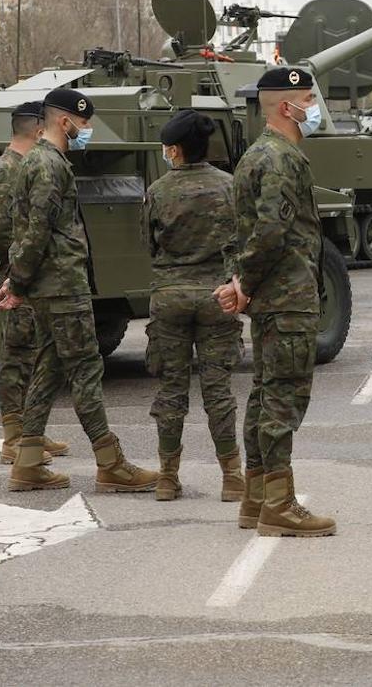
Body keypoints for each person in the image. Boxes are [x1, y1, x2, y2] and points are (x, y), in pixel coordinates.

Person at [0, 88, 157, 493]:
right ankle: (111, 462)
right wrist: (17, 283)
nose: (87, 131)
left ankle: (28, 460)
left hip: (50, 287)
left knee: (50, 368)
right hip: (62, 286)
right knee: (86, 369)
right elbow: (37, 231)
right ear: (65, 122)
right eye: (84, 124)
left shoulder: (35, 161)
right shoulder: (50, 165)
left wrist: (20, 280)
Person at [217, 65, 336, 537]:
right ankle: (281, 507)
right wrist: (244, 280)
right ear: (287, 106)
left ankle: (255, 497)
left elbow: (241, 229)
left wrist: (241, 281)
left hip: (271, 298)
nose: (314, 107)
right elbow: (270, 232)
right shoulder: (281, 158)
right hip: (287, 298)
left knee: (264, 396)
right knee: (282, 400)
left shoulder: (253, 156)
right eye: (309, 99)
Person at [140, 110, 244, 503]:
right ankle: (232, 478)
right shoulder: (230, 187)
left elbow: (149, 244)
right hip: (218, 296)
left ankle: (167, 477)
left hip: (170, 297)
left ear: (175, 150)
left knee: (171, 390)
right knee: (218, 391)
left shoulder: (158, 190)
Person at [0, 101, 68, 466]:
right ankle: (13, 438)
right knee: (16, 356)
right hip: (16, 278)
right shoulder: (11, 169)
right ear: (36, 130)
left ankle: (31, 430)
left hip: (29, 275)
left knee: (33, 353)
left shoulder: (26, 165)